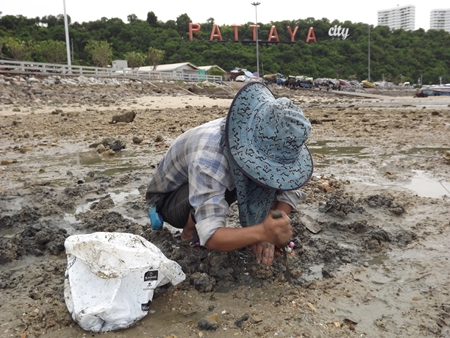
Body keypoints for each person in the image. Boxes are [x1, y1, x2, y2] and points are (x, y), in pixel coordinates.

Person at [146, 82, 313, 268]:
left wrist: (275, 219)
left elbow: (290, 186)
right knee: (231, 182)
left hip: (213, 180)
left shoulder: (275, 135)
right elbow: (210, 234)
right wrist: (261, 232)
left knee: (265, 180)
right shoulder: (209, 159)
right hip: (172, 199)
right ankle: (188, 232)